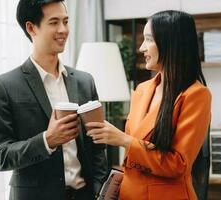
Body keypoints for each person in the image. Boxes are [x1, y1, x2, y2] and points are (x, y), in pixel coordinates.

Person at [86, 10, 211, 200]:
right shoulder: (142, 89)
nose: (141, 48)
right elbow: (133, 158)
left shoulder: (196, 95)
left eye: (149, 39)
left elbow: (178, 165)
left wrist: (123, 140)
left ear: (171, 43)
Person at [0, 0, 107, 200]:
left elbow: (97, 145)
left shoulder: (85, 81)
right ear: (31, 27)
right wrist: (47, 140)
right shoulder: (5, 85)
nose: (63, 30)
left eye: (66, 21)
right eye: (54, 22)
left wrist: (98, 190)